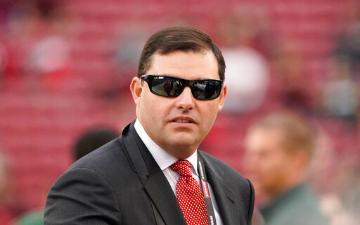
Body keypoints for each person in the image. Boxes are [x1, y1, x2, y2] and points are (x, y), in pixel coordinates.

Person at [44, 26, 255, 225]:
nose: (186, 102)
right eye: (167, 86)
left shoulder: (236, 188)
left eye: (204, 88)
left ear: (221, 97)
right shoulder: (88, 184)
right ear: (137, 91)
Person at [243, 111, 329, 225]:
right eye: (250, 154)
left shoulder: (301, 220)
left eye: (263, 155)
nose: (250, 163)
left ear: (297, 161)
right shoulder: (285, 213)